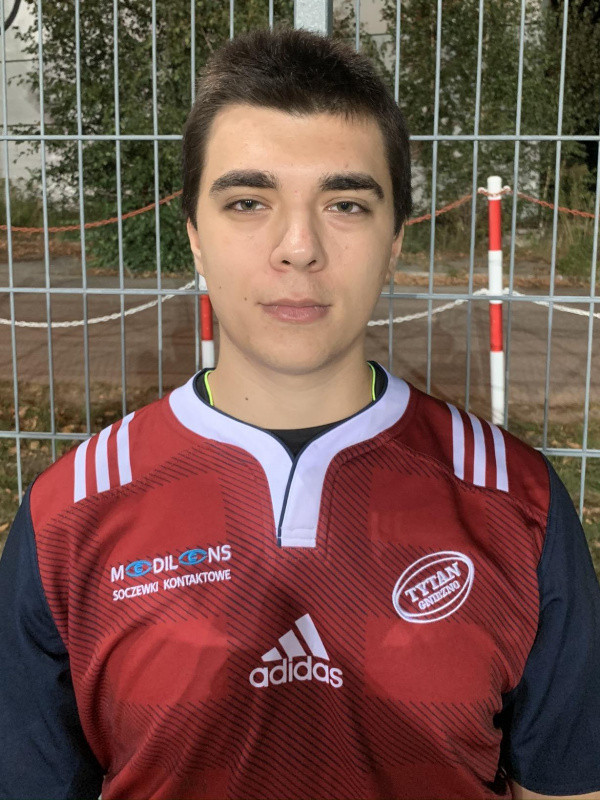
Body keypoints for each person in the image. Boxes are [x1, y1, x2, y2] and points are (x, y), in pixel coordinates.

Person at [1, 23, 599, 800]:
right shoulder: (71, 512)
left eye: (345, 204)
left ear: (395, 240)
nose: (298, 247)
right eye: (248, 202)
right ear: (194, 236)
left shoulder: (517, 501)